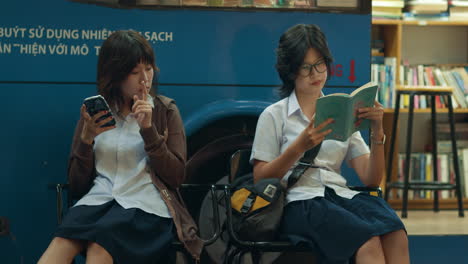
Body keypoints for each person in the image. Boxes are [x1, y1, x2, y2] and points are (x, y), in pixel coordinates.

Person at [38, 30, 202, 264]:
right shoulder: (96, 113)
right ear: (114, 76)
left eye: (148, 69)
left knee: (100, 246)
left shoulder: (165, 111)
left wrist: (148, 130)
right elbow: (76, 186)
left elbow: (175, 176)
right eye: (135, 72)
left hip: (144, 207)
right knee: (59, 245)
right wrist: (85, 141)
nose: (144, 79)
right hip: (97, 202)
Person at [250, 24, 409, 264]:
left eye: (321, 63)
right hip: (300, 202)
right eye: (306, 67)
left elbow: (371, 179)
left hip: (340, 197)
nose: (316, 74)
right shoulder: (274, 115)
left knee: (395, 232)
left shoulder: (342, 111)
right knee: (366, 242)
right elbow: (260, 178)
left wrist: (377, 130)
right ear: (291, 71)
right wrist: (298, 147)